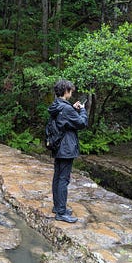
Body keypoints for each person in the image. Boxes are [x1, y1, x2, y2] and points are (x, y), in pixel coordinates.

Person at [48, 80, 88, 223]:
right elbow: (82, 123)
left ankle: (57, 206)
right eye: (70, 91)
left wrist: (73, 108)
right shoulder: (66, 108)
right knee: (63, 179)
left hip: (57, 145)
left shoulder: (56, 105)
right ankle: (61, 212)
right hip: (66, 147)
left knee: (57, 177)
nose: (71, 93)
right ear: (66, 91)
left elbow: (64, 120)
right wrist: (82, 110)